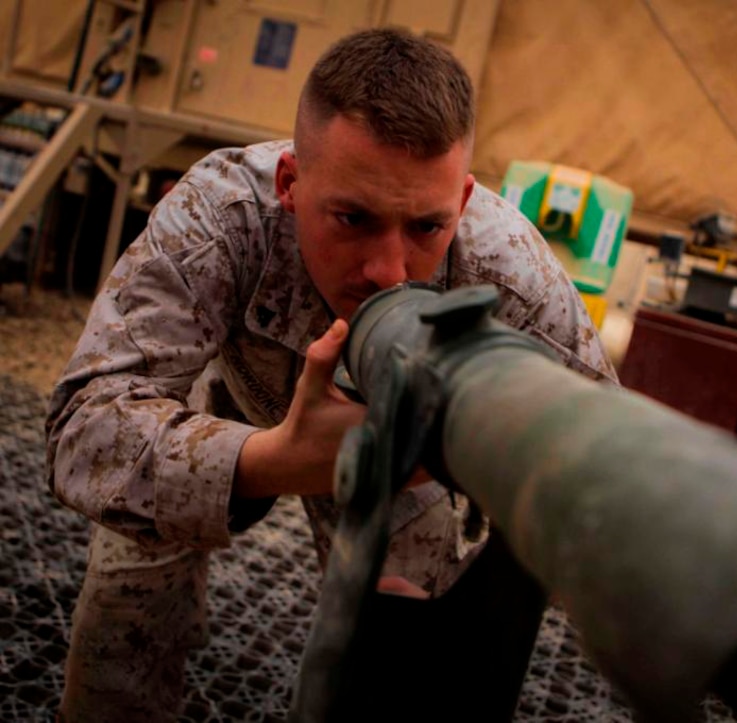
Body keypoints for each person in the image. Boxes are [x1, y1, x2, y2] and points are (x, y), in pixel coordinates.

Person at [46, 28, 616, 721]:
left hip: (403, 450)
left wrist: (487, 458)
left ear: (463, 202)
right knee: (125, 603)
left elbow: (601, 458)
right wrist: (272, 461)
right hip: (227, 403)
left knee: (410, 642)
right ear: (290, 182)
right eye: (353, 217)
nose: (389, 269)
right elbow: (82, 429)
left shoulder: (512, 278)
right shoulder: (221, 217)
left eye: (426, 228)